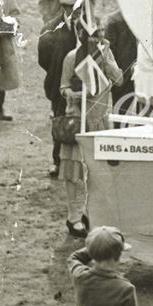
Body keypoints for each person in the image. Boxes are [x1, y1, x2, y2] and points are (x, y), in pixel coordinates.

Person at [60, 19, 123, 238]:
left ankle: (91, 212)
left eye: (100, 32)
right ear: (80, 33)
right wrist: (73, 95)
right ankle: (74, 217)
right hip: (79, 118)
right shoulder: (71, 57)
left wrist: (106, 59)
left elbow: (120, 80)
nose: (97, 37)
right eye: (92, 33)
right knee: (75, 171)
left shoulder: (106, 54)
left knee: (99, 170)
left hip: (101, 117)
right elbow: (63, 86)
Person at [38, 0, 79, 178]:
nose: (78, 11)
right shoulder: (50, 30)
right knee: (61, 121)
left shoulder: (89, 25)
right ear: (64, 7)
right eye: (73, 7)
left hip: (83, 84)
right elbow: (44, 60)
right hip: (59, 84)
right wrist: (60, 75)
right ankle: (57, 161)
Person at [104, 0, 150, 115]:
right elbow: (109, 52)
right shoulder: (114, 20)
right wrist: (117, 74)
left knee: (145, 111)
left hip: (145, 73)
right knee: (121, 111)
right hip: (124, 74)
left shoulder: (148, 15)